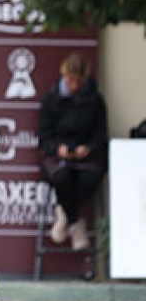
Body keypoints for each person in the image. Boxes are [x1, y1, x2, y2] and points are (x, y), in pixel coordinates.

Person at [38, 52, 108, 250]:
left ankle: (65, 213)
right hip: (58, 156)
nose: (74, 86)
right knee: (61, 178)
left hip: (87, 156)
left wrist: (88, 148)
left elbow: (100, 135)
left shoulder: (95, 101)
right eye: (70, 80)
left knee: (90, 178)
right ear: (64, 75)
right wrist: (58, 148)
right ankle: (76, 223)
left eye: (78, 81)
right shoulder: (51, 100)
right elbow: (44, 137)